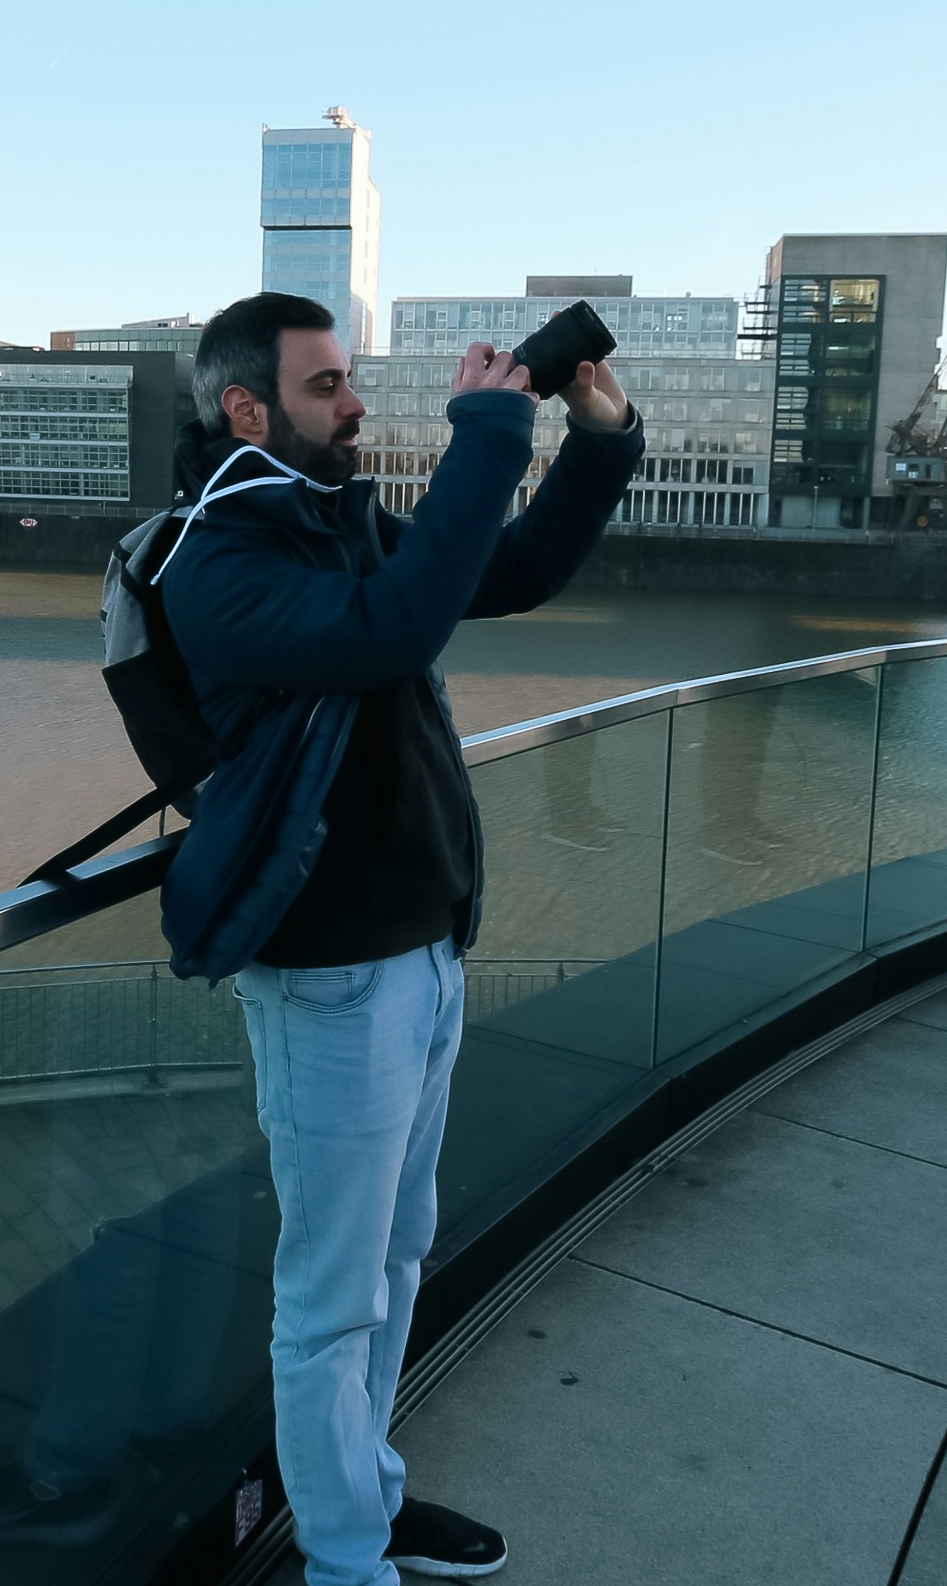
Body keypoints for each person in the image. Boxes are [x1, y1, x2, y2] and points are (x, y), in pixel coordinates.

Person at [157, 291, 642, 1585]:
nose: (357, 403)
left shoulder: (339, 526)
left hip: (421, 960)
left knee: (396, 1261)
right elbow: (396, 632)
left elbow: (515, 571)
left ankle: (358, 1501)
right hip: (328, 985)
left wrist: (597, 440)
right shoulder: (222, 564)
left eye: (350, 381)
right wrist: (489, 425)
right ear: (248, 407)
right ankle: (344, 1567)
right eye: (328, 387)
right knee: (329, 1304)